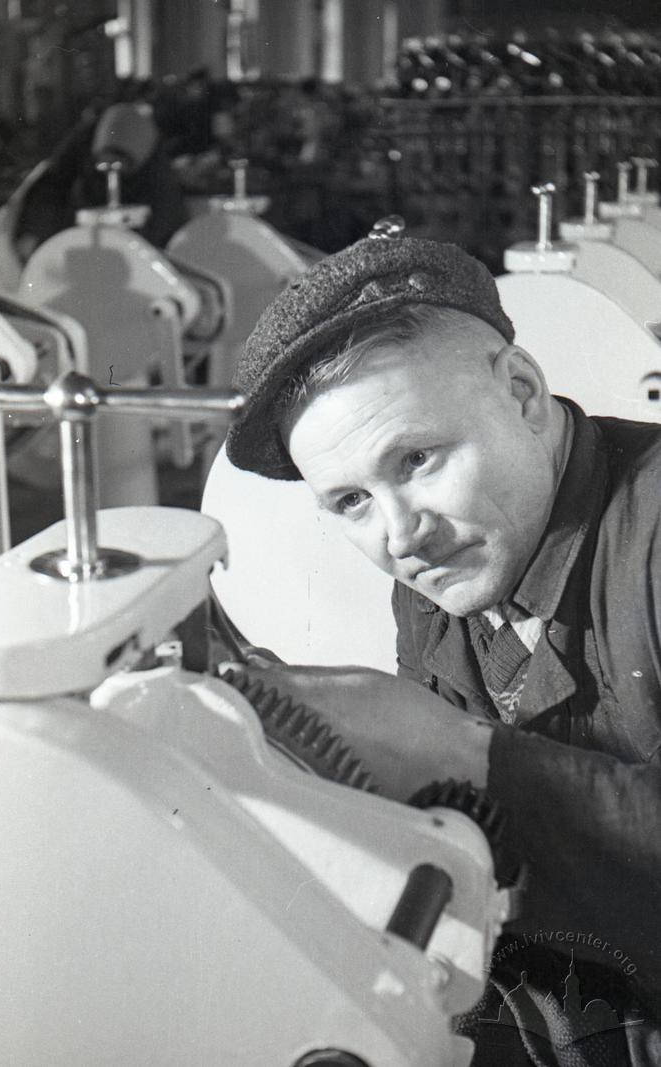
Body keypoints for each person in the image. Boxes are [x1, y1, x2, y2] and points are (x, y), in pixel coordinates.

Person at [224, 223, 661, 1065]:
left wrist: (458, 750)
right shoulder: (444, 574)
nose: (400, 535)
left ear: (525, 394)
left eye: (418, 457)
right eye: (350, 501)